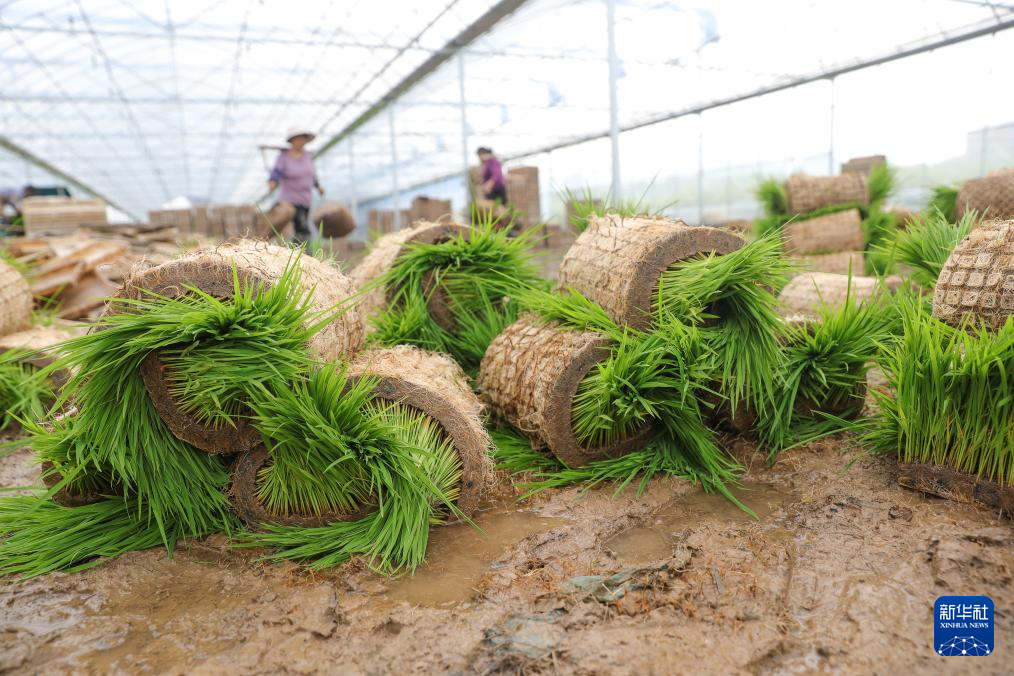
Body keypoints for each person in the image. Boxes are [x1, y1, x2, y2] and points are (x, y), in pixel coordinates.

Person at [268, 128, 324, 243]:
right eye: (298, 138)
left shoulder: (307, 156)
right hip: (290, 199)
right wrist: (273, 181)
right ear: (292, 140)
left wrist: (318, 187)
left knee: (301, 225)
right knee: (301, 226)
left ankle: (298, 250)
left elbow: (312, 175)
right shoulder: (284, 157)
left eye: (303, 138)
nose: (301, 141)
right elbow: (277, 171)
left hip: (305, 198)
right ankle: (301, 253)